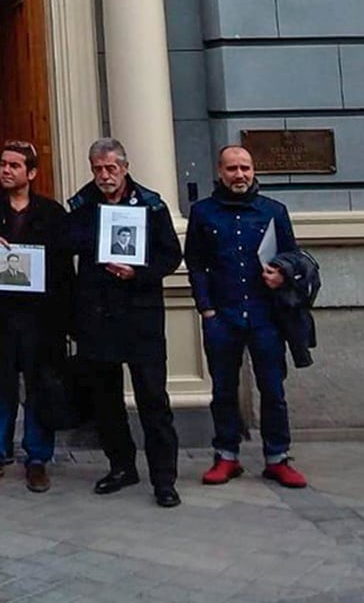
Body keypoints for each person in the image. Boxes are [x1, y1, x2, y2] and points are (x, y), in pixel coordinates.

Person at [67, 138, 183, 508]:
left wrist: (139, 272)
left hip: (141, 317)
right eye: (98, 169)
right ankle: (121, 466)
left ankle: (164, 479)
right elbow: (65, 245)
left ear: (125, 166)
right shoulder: (83, 205)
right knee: (106, 401)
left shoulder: (151, 204)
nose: (104, 175)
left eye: (110, 168)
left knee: (153, 400)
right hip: (97, 318)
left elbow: (171, 255)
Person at [185, 146, 307, 488]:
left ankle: (278, 458)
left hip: (265, 315)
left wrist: (282, 273)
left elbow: (292, 255)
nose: (240, 175)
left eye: (246, 168)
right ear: (220, 172)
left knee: (272, 389)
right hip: (222, 315)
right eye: (232, 169)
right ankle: (226, 456)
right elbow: (195, 262)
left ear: (254, 171)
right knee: (223, 390)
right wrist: (206, 308)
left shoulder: (273, 211)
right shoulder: (204, 213)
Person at [0, 140, 72, 493]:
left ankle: (37, 459)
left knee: (39, 388)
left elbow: (64, 268)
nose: (6, 171)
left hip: (41, 320)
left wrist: (67, 321)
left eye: (14, 166)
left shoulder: (52, 214)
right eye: (3, 164)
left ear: (31, 173)